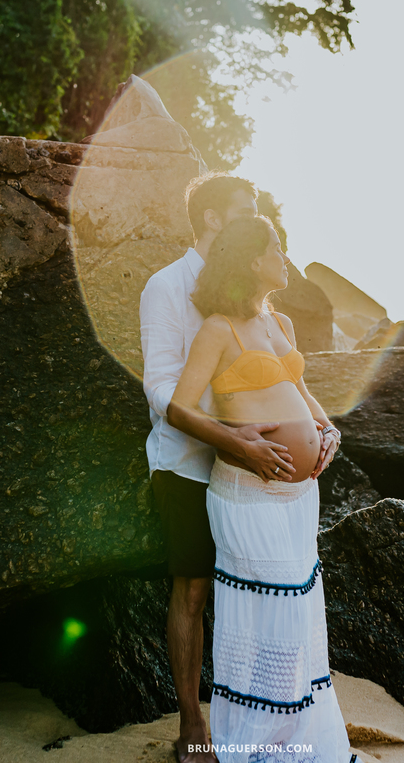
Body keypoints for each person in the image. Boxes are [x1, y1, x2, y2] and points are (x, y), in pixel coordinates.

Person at [141, 172, 315, 763]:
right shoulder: (166, 288)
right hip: (190, 465)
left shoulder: (250, 295)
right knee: (191, 589)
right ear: (214, 218)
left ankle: (271, 720)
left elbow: (286, 377)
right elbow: (164, 391)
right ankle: (193, 722)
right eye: (244, 211)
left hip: (259, 479)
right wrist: (234, 439)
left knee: (261, 596)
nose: (253, 219)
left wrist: (320, 429)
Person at [167, 214, 351, 763]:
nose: (286, 257)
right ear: (253, 261)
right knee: (259, 619)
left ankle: (297, 737)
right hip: (247, 492)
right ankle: (252, 742)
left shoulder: (282, 325)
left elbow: (302, 392)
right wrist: (241, 444)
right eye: (278, 247)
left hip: (299, 498)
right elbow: (179, 407)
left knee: (294, 616)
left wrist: (330, 430)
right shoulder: (218, 329)